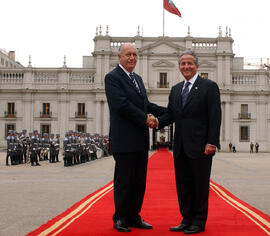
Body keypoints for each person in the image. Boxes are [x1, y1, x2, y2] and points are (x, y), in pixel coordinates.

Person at [149, 51, 221, 234]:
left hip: (201, 146)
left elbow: (215, 116)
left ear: (196, 66)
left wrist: (212, 142)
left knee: (200, 185)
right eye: (183, 64)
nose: (186, 67)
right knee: (183, 186)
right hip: (180, 147)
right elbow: (171, 115)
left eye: (190, 63)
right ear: (179, 67)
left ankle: (198, 221)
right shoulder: (176, 89)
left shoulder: (209, 86)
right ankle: (186, 219)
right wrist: (157, 122)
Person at [105, 42, 166, 232]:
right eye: (128, 54)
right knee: (124, 181)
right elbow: (121, 105)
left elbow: (145, 104)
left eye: (134, 55)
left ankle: (134, 216)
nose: (132, 58)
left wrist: (170, 112)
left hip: (140, 141)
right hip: (124, 141)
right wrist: (145, 119)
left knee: (139, 181)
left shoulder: (137, 79)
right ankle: (120, 218)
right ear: (119, 57)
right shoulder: (112, 77)